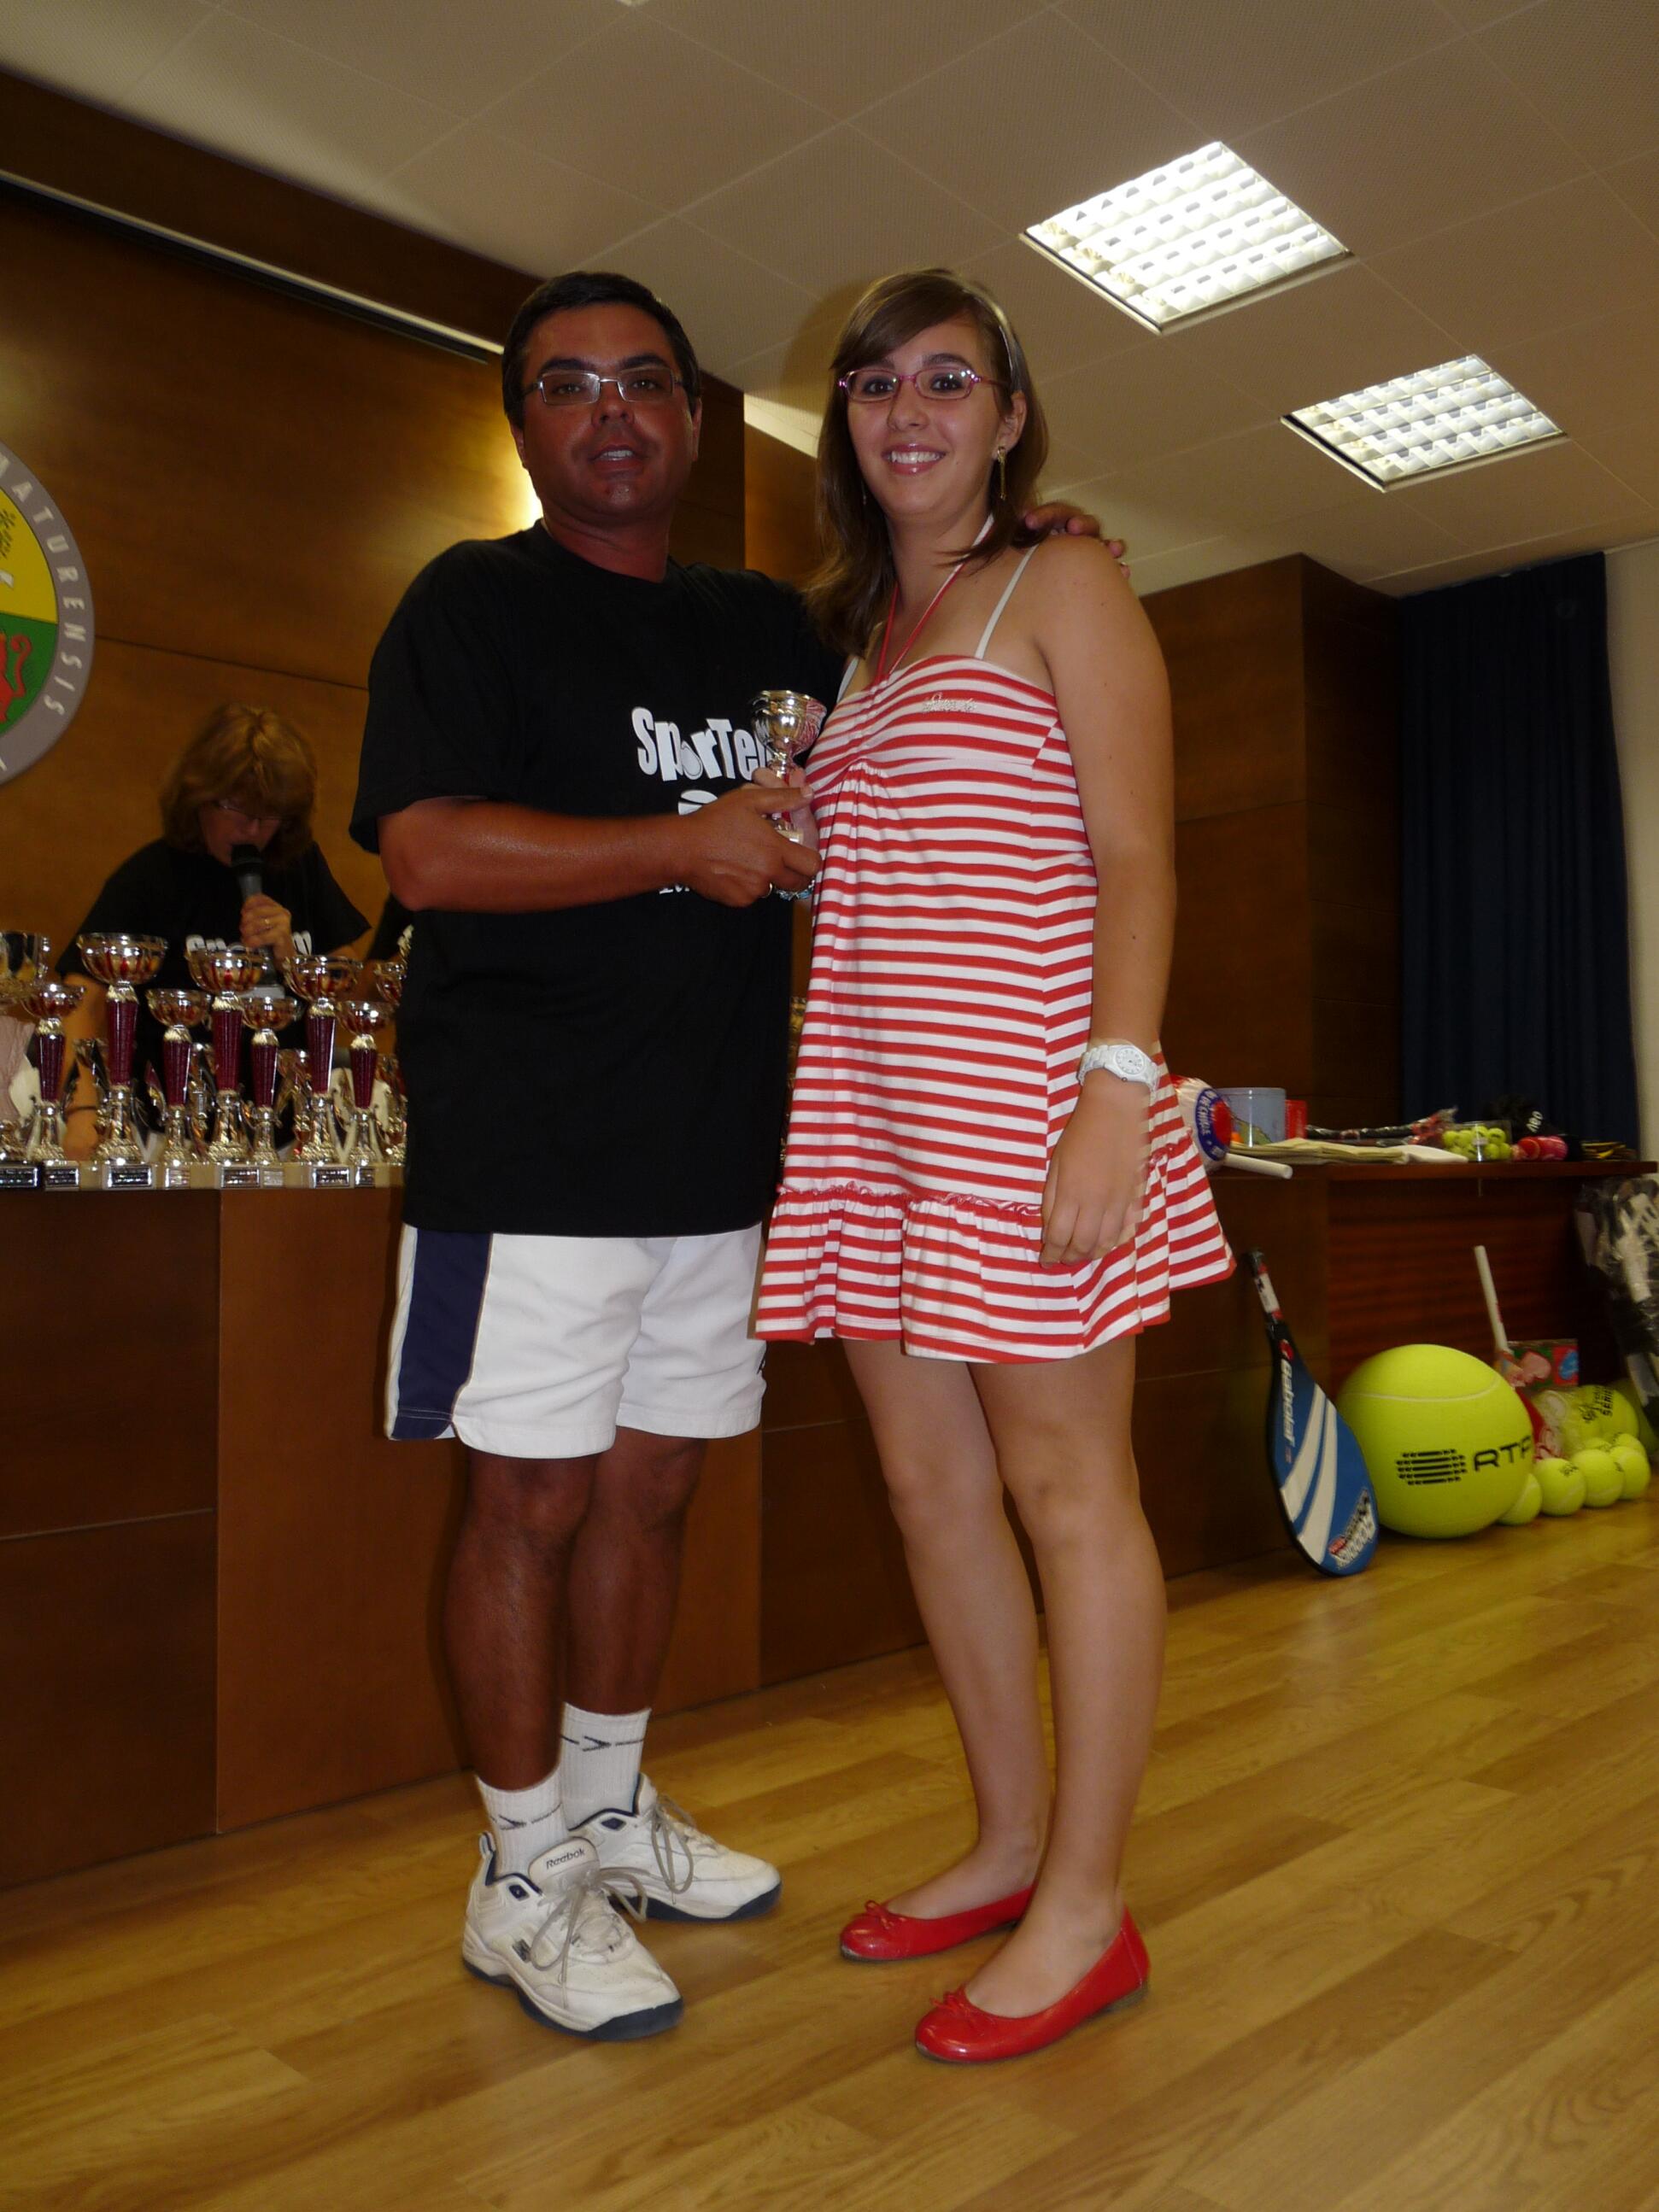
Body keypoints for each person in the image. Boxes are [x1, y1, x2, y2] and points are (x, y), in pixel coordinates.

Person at [352, 269, 1112, 2045]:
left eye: (644, 380)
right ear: (521, 424)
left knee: (650, 1494)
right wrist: (676, 843)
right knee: (526, 1506)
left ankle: (609, 1809)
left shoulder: (773, 625)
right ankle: (520, 1871)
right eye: (565, 385)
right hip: (528, 1159)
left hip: (719, 1158)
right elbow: (427, 856)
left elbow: (924, 659)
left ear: (693, 420)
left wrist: (1036, 535)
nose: (609, 411)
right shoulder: (471, 600)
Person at [754, 268, 1232, 2064]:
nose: (907, 412)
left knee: (1064, 1491)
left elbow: (1137, 857)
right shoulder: (868, 640)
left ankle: (1087, 1910)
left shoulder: (1064, 581)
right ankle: (1014, 1844)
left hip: (1027, 1111)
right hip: (873, 1120)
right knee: (930, 1496)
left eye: (947, 380)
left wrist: (1115, 1091)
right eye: (874, 383)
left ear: (1010, 415)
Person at [59, 704, 366, 1147]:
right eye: (236, 807)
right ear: (199, 796)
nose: (253, 829)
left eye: (270, 813)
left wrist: (294, 962)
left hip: (288, 1133)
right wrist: (83, 1109)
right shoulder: (151, 876)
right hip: (172, 1133)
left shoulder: (300, 868)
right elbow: (82, 996)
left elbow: (354, 991)